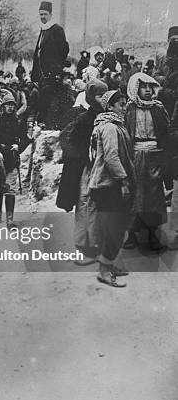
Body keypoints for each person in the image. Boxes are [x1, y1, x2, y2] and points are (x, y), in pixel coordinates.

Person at [56, 79, 108, 265]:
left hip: (102, 167)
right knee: (86, 203)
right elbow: (66, 138)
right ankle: (86, 246)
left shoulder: (108, 116)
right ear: (90, 97)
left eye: (105, 95)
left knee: (98, 205)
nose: (102, 99)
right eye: (99, 95)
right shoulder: (85, 118)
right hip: (87, 168)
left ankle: (95, 244)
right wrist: (82, 156)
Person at [88, 90, 134, 287]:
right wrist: (123, 181)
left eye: (125, 103)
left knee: (112, 227)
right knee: (114, 228)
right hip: (108, 185)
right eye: (120, 104)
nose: (124, 107)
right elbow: (111, 157)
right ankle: (104, 270)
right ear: (110, 107)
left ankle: (107, 264)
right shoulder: (109, 128)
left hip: (107, 184)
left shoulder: (111, 125)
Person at [123, 73, 171, 251]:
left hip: (154, 155)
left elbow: (166, 132)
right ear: (135, 88)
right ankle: (131, 233)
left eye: (151, 87)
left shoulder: (158, 108)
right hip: (134, 156)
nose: (148, 91)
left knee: (154, 195)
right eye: (144, 87)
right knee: (134, 194)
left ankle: (153, 233)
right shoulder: (128, 109)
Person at [31, 1, 70, 128]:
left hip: (52, 75)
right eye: (41, 14)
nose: (43, 17)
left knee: (50, 104)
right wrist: (35, 75)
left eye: (45, 14)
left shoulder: (56, 29)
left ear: (51, 15)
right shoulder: (43, 30)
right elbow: (38, 53)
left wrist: (56, 67)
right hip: (42, 75)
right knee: (41, 102)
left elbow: (63, 50)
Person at [0, 94, 30, 228]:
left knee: (10, 188)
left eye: (12, 105)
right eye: (7, 105)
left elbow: (26, 139)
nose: (9, 108)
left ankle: (10, 219)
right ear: (2, 107)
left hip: (12, 157)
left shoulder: (19, 122)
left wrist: (19, 146)